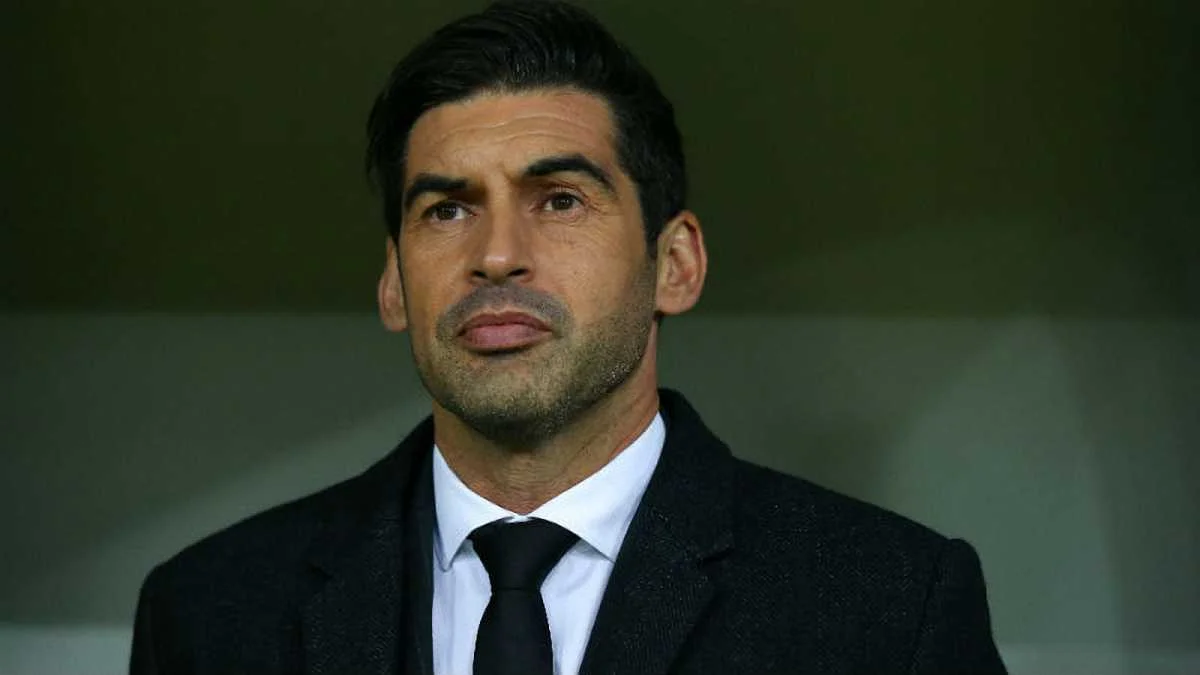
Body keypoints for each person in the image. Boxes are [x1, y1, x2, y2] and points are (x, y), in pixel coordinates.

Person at [129, 1, 1007, 673]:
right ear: (394, 282)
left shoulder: (892, 608)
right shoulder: (206, 614)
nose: (495, 254)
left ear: (675, 264)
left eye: (559, 199)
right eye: (446, 209)